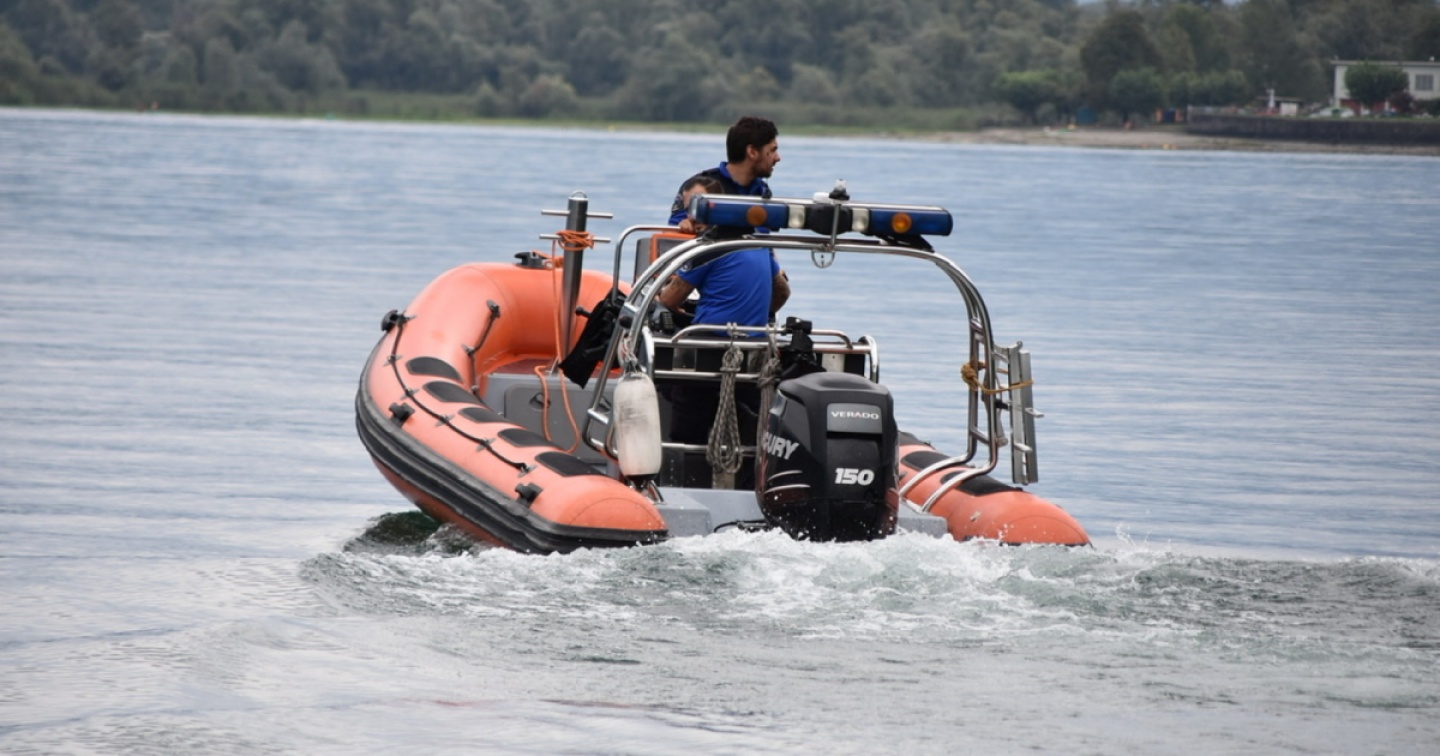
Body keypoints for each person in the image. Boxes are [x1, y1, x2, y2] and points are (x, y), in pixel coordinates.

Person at [658, 116, 790, 327]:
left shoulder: (762, 192)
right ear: (752, 152)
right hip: (700, 275)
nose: (778, 158)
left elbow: (762, 239)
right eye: (772, 150)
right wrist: (685, 228)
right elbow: (672, 239)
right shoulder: (700, 187)